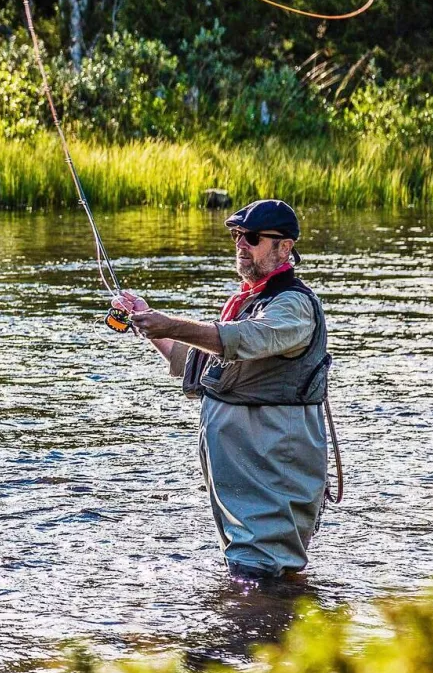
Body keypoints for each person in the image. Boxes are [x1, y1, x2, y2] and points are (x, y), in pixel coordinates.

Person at [113, 200, 331, 580]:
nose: (240, 245)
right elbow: (195, 362)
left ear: (284, 246)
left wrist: (171, 325)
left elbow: (243, 339)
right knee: (255, 576)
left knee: (262, 578)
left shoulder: (293, 306)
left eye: (252, 238)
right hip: (244, 482)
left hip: (271, 473)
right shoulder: (247, 305)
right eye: (236, 237)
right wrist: (147, 321)